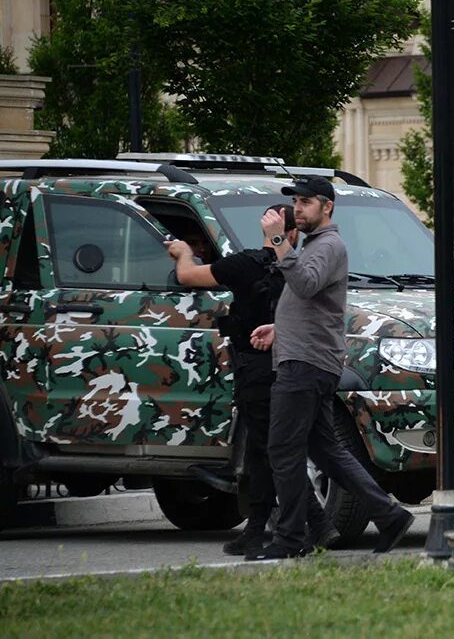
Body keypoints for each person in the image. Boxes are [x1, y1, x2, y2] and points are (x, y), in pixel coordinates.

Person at [248, 175, 414, 560]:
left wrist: (277, 241)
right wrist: (280, 327)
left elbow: (305, 285)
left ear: (328, 206)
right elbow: (313, 302)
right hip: (307, 359)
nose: (297, 209)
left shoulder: (328, 245)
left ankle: (290, 538)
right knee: (327, 452)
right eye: (296, 202)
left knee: (282, 450)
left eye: (306, 202)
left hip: (305, 367)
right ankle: (389, 516)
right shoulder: (314, 246)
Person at [166, 205, 339, 557]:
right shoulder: (303, 270)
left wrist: (184, 252)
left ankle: (319, 524)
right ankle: (259, 527)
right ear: (293, 234)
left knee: (274, 452)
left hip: (257, 371)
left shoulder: (244, 264)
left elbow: (187, 277)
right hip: (296, 368)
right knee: (266, 452)